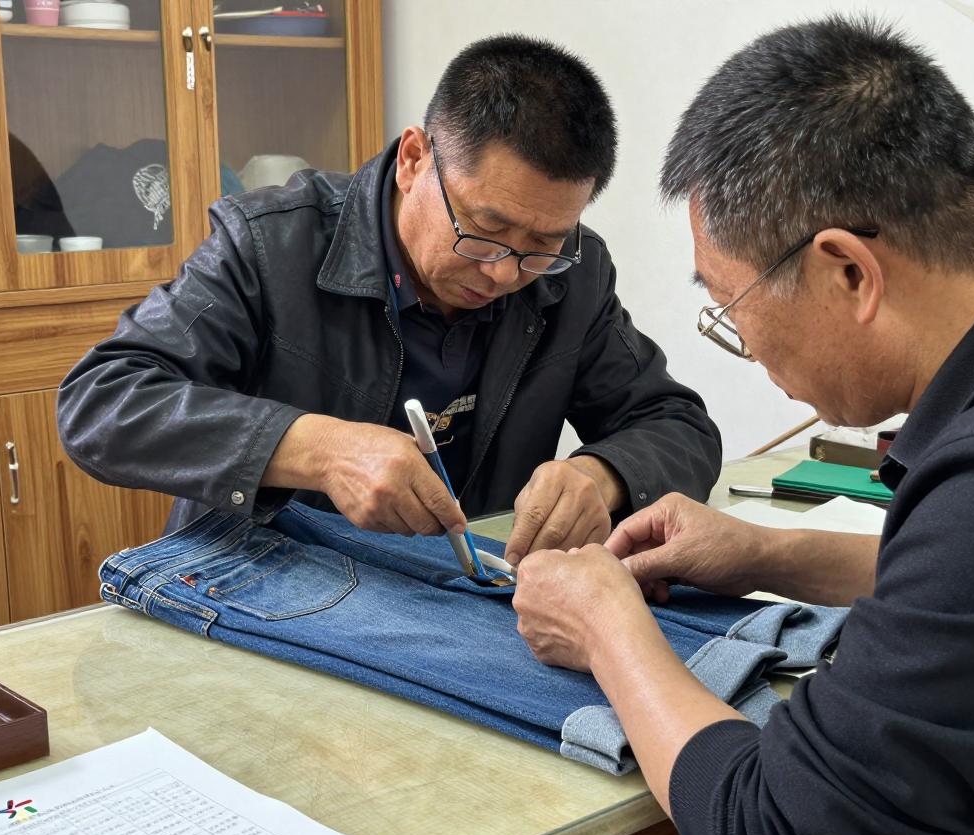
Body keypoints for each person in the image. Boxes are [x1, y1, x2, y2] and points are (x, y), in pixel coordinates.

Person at [513, 15, 974, 835]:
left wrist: (608, 632)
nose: (748, 345)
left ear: (848, 271)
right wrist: (766, 554)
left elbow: (781, 834)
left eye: (732, 308)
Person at [57, 35, 721, 561]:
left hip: (455, 592)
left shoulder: (572, 275)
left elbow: (677, 424)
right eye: (484, 230)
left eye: (543, 242)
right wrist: (318, 450)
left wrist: (602, 474)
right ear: (413, 159)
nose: (503, 272)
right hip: (259, 579)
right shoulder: (270, 243)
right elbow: (102, 402)